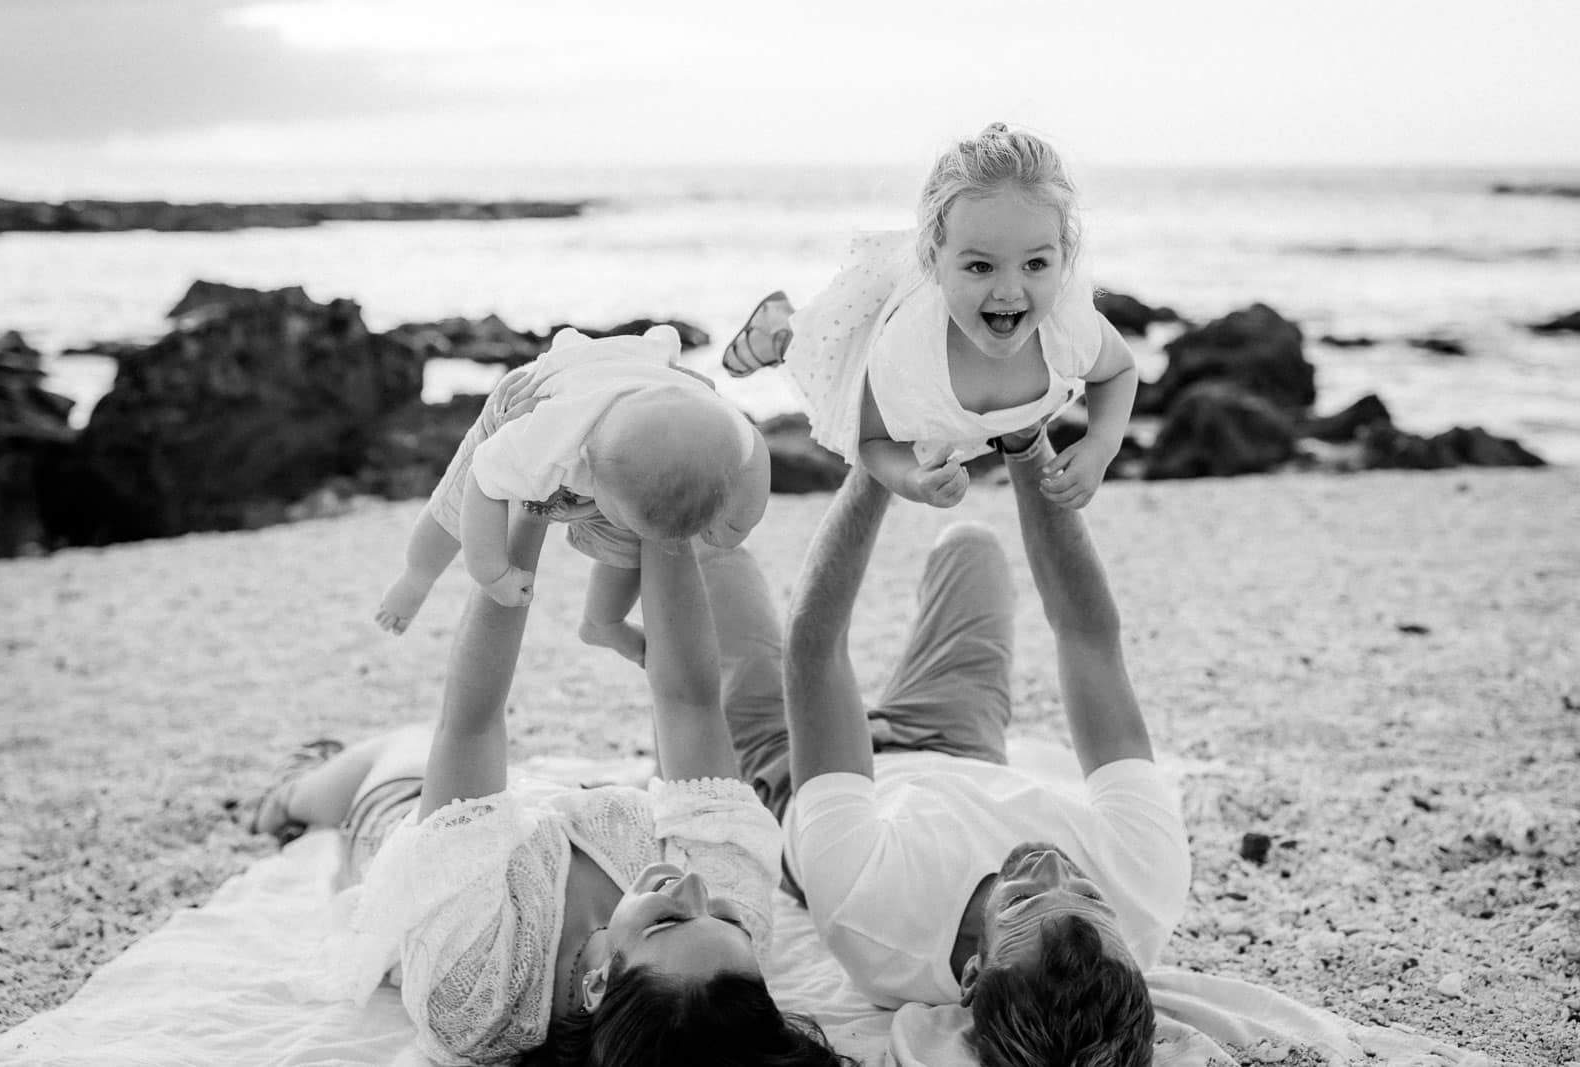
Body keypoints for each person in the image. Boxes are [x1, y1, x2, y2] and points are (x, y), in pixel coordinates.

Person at [261, 515, 847, 1066]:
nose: (697, 889)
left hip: (400, 824)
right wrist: (661, 523)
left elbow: (470, 723)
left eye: (667, 921)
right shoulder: (725, 947)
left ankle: (286, 794)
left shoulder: (475, 1002)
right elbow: (691, 704)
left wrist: (527, 515)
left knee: (399, 752)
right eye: (724, 919)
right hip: (551, 808)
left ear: (595, 986)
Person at [703, 444, 1189, 1067]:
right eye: (1090, 894)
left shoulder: (873, 918)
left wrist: (875, 462)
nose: (1050, 866)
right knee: (971, 545)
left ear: (972, 975)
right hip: (957, 742)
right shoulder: (1147, 887)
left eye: (1021, 900)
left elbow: (817, 653)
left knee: (715, 555)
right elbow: (1089, 638)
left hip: (792, 771)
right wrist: (1028, 443)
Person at [723, 121, 1136, 514]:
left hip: (985, 416)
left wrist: (1101, 444)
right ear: (933, 261)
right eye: (980, 267)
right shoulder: (905, 354)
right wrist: (912, 480)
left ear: (1064, 257)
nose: (1009, 290)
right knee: (817, 353)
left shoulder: (1069, 327)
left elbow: (1118, 371)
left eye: (1035, 264)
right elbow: (872, 440)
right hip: (892, 343)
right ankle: (779, 332)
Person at [375, 324, 771, 669]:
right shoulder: (547, 436)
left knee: (632, 547)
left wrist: (737, 524)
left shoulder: (723, 428)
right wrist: (493, 573)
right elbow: (483, 481)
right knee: (453, 506)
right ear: (591, 472)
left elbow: (754, 448)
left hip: (647, 385)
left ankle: (603, 624)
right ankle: (415, 576)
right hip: (544, 396)